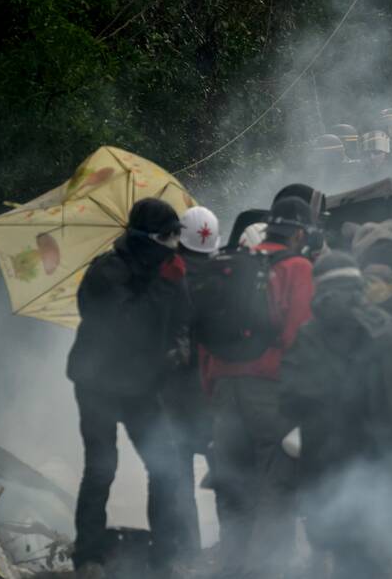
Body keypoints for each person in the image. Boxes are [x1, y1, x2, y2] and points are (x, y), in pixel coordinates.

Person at [280, 252, 392, 578]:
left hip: (334, 474)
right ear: (359, 285)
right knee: (382, 555)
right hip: (390, 471)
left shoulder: (310, 338)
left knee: (349, 557)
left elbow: (290, 402)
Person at [66, 198, 189, 579]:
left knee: (164, 464)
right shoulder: (107, 273)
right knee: (102, 467)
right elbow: (126, 328)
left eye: (176, 235)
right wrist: (164, 290)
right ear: (145, 238)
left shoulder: (165, 272)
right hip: (98, 383)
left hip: (139, 385)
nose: (173, 243)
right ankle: (89, 558)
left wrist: (178, 344)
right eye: (167, 236)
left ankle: (165, 558)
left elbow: (177, 324)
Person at [201, 196, 317, 579]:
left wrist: (211, 392)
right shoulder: (298, 268)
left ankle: (231, 570)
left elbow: (204, 339)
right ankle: (265, 572)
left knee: (233, 487)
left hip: (223, 390)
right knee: (277, 489)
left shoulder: (230, 264)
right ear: (299, 232)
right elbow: (299, 336)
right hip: (268, 392)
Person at [166, 205, 221, 558]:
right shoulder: (224, 277)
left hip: (174, 394)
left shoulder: (167, 278)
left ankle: (185, 554)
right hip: (217, 391)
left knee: (176, 478)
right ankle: (234, 549)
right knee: (226, 473)